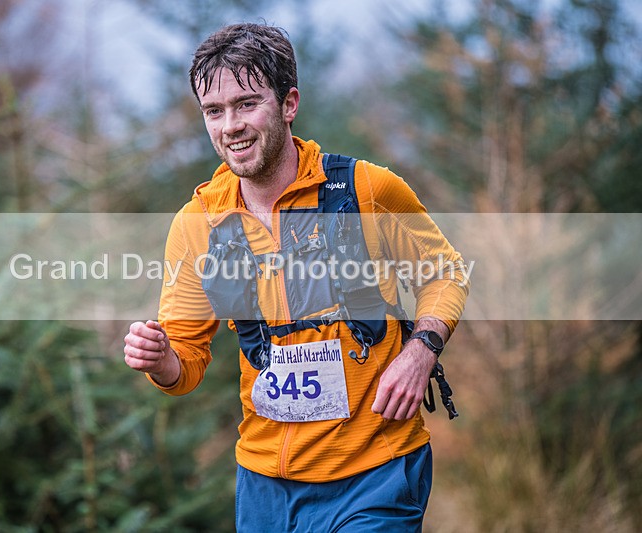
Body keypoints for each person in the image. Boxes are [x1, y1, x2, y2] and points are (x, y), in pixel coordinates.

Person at [123, 23, 469, 532]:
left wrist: (421, 350)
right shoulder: (197, 224)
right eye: (213, 112)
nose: (230, 126)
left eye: (246, 104)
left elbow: (446, 272)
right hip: (265, 484)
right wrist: (160, 359)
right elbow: (187, 363)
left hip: (377, 469)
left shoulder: (365, 190)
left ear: (289, 104)